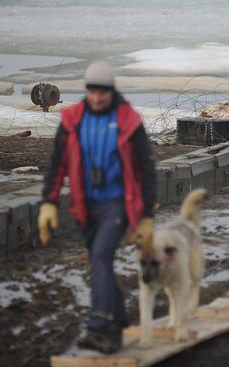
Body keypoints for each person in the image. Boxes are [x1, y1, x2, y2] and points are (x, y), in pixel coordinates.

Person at [38, 61, 157, 353]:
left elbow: (146, 168)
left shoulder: (128, 119)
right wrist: (48, 203)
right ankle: (117, 324)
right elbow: (57, 164)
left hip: (117, 204)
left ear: (111, 90)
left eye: (102, 92)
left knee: (102, 257)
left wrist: (146, 217)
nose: (97, 97)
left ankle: (99, 326)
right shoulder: (73, 119)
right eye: (92, 91)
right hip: (85, 204)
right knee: (99, 261)